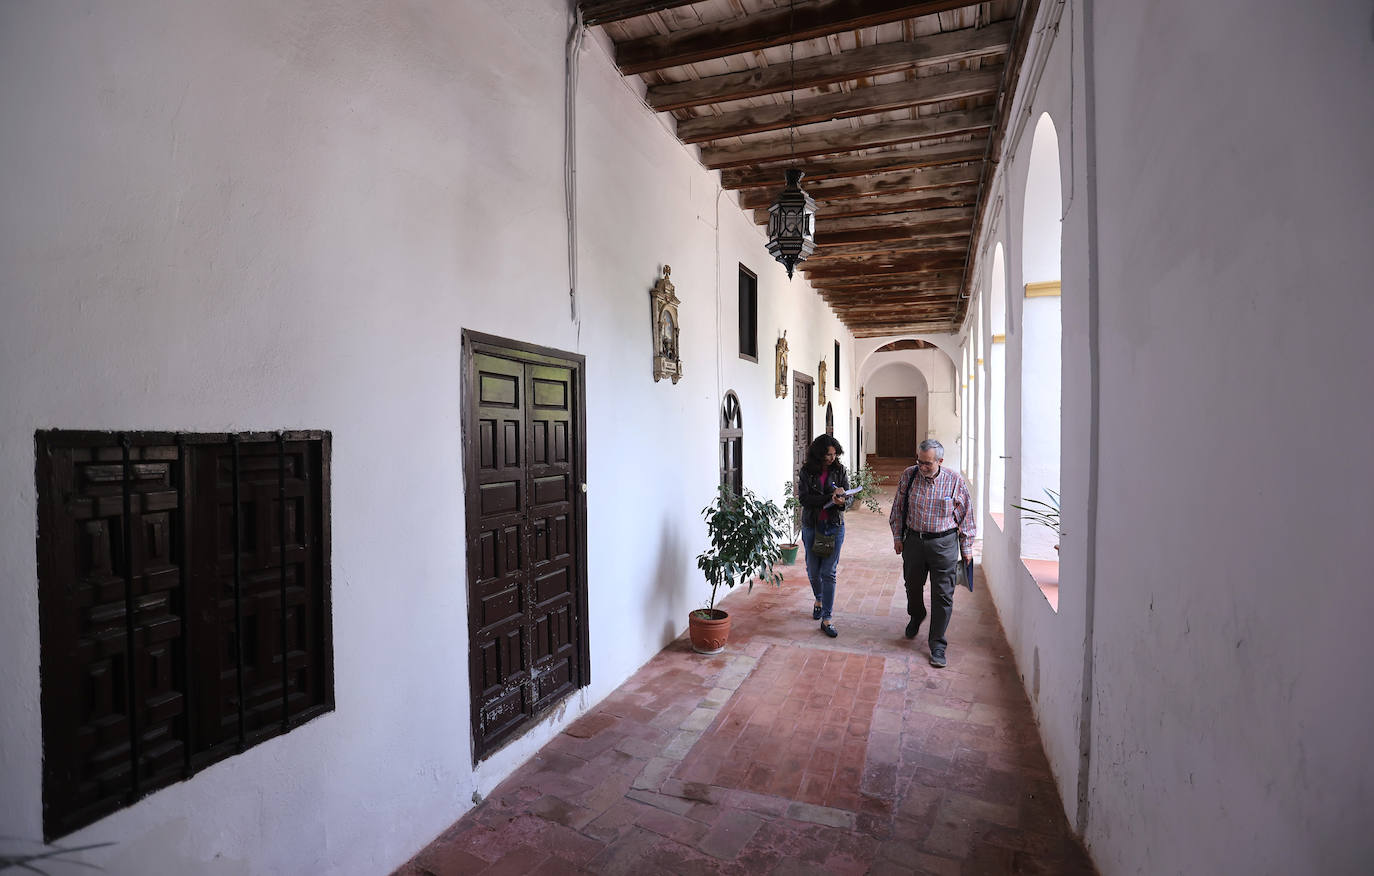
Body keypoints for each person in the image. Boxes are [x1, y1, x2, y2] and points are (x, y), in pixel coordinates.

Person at [888, 438, 975, 667]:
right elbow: (898, 507)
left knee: (943, 594)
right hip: (914, 541)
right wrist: (898, 537)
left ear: (940, 461)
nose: (922, 467)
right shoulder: (909, 475)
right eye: (920, 462)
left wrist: (966, 548)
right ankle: (916, 615)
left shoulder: (955, 481)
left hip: (944, 544)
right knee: (912, 586)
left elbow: (966, 516)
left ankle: (937, 644)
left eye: (927, 463)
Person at [797, 434, 853, 638]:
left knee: (828, 571)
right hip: (812, 526)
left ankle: (827, 618)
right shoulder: (806, 472)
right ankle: (818, 599)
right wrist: (828, 498)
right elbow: (804, 499)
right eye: (828, 454)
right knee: (813, 569)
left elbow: (849, 497)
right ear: (819, 454)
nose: (832, 457)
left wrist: (843, 500)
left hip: (832, 526)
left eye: (834, 454)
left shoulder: (839, 470)